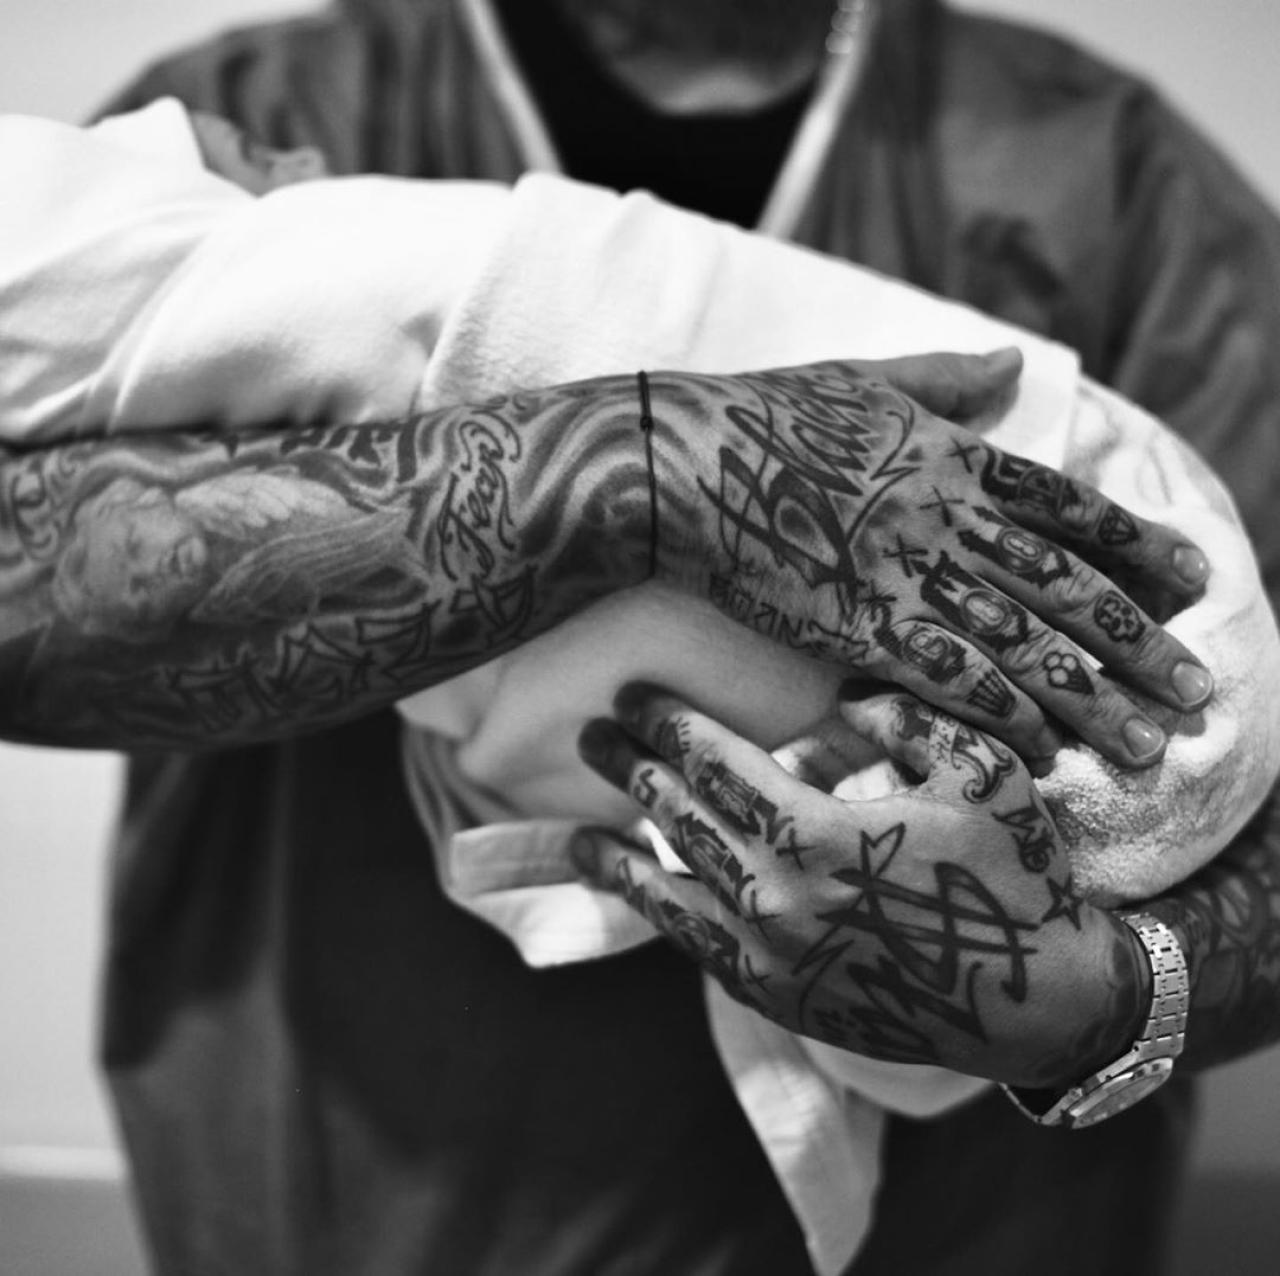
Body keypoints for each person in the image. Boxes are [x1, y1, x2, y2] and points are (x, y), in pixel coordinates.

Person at [4, 0, 1277, 1272]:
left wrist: (1106, 993)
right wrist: (639, 466)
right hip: (376, 1191)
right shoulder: (249, 129)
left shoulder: (1112, 185)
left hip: (972, 1227)